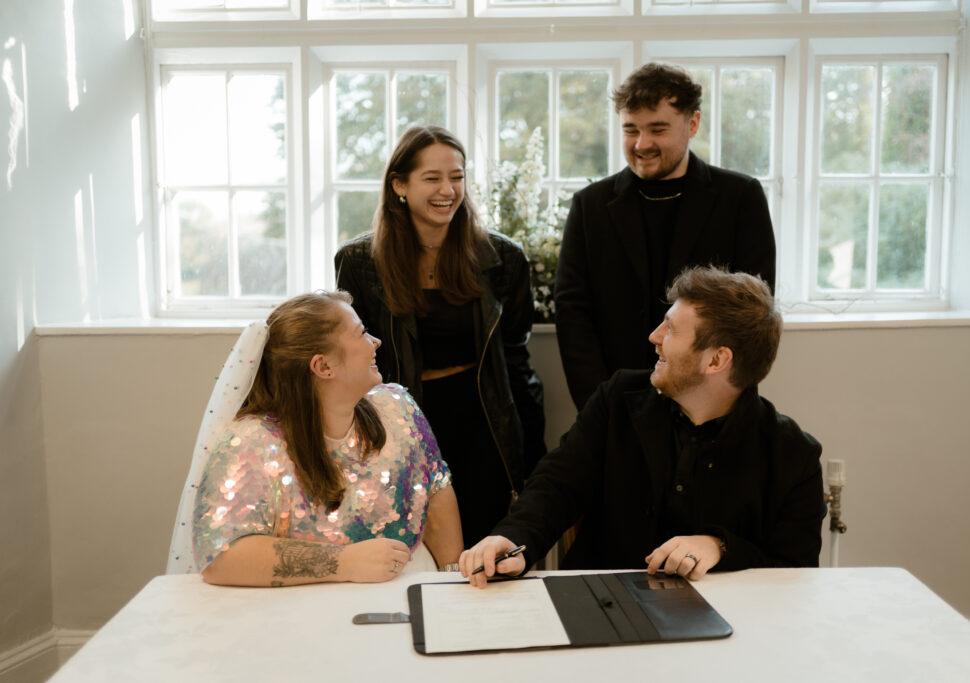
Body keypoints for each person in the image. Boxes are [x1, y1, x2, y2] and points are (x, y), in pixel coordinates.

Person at [460, 266, 824, 587]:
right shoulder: (619, 397)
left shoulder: (794, 456)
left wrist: (720, 546)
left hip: (722, 638)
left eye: (670, 329)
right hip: (600, 606)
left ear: (716, 359)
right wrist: (514, 538)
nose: (654, 336)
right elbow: (558, 483)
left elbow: (795, 574)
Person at [335, 125, 546, 547]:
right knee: (411, 549)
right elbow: (354, 364)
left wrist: (533, 453)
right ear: (399, 185)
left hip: (483, 421)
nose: (447, 190)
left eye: (457, 177)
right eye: (432, 178)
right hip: (401, 424)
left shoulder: (503, 259)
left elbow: (516, 362)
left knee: (485, 546)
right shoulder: (359, 261)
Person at [184, 291, 463, 587]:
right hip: (309, 601)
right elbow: (220, 556)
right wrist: (344, 563)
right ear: (323, 366)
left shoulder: (397, 407)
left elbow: (435, 492)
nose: (375, 342)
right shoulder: (252, 442)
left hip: (413, 583)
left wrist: (452, 582)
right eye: (362, 333)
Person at [555, 62, 776, 410]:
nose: (642, 144)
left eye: (657, 129)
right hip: (615, 401)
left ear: (692, 124)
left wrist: (716, 397)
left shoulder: (741, 197)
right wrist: (598, 402)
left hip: (712, 400)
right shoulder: (589, 206)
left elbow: (753, 314)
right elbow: (572, 313)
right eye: (631, 130)